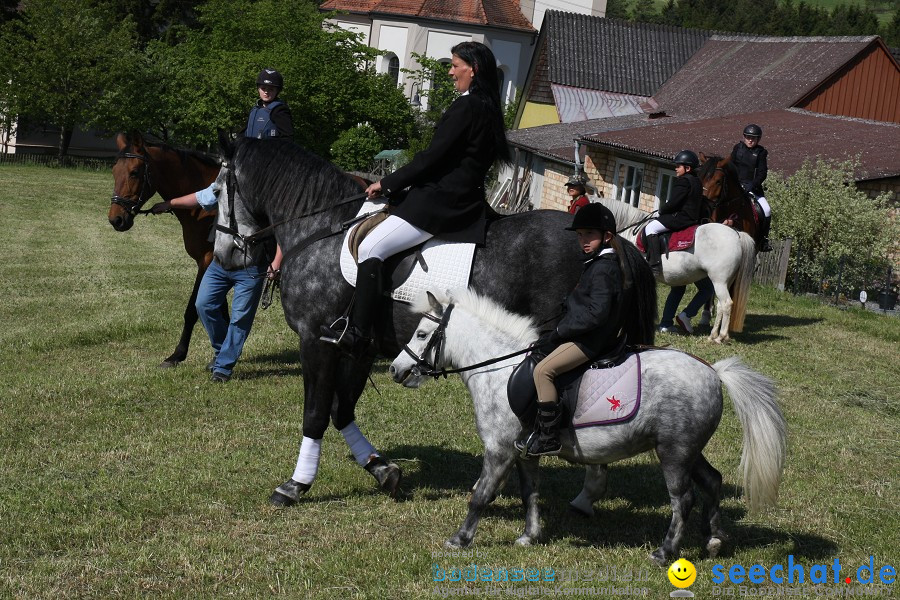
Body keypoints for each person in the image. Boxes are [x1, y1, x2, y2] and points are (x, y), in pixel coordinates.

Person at [319, 41, 510, 356]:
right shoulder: (487, 107)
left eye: (455, 65)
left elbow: (432, 158)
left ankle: (358, 333)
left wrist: (388, 183)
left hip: (440, 203)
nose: (450, 72)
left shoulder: (466, 106)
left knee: (370, 246)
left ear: (472, 69)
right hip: (465, 199)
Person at [514, 203, 627, 457]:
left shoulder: (605, 267)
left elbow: (596, 314)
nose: (583, 241)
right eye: (579, 235)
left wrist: (561, 330)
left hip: (591, 341)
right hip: (583, 334)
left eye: (590, 234)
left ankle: (549, 437)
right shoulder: (595, 262)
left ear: (607, 236)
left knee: (544, 371)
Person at [150, 184, 283, 382]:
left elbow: (282, 225)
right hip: (219, 264)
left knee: (239, 319)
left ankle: (222, 367)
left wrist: (277, 262)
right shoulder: (225, 180)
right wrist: (169, 203)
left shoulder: (265, 189)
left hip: (250, 266)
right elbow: (199, 197)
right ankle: (223, 351)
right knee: (203, 304)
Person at [642, 150, 704, 274]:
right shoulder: (697, 181)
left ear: (687, 168)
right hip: (693, 217)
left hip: (681, 218)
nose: (675, 169)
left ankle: (654, 265)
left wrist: (661, 211)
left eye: (678, 166)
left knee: (651, 228)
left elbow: (673, 203)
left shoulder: (683, 181)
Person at [730, 123, 771, 251]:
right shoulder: (737, 148)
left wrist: (752, 185)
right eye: (748, 137)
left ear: (758, 139)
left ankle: (763, 240)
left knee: (767, 210)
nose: (750, 140)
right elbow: (731, 166)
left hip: (752, 188)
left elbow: (762, 173)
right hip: (736, 185)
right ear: (744, 137)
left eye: (753, 138)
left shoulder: (761, 153)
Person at [245, 68, 293, 139]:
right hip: (251, 149)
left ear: (277, 91)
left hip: (271, 150)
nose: (266, 92)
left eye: (271, 89)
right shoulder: (254, 110)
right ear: (258, 89)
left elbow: (287, 138)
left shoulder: (280, 111)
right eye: (263, 88)